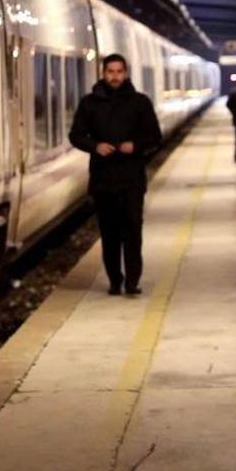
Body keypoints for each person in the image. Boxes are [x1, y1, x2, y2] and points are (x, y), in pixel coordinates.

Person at [69, 54, 162, 296]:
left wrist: (136, 145)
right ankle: (114, 280)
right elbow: (76, 135)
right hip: (103, 180)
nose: (115, 76)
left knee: (132, 231)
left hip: (132, 179)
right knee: (109, 234)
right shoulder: (89, 103)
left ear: (126, 73)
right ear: (103, 73)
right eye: (110, 71)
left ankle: (132, 281)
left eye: (119, 71)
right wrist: (95, 146)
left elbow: (155, 137)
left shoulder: (140, 102)